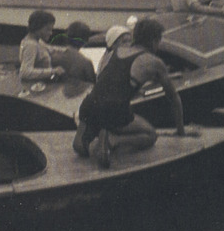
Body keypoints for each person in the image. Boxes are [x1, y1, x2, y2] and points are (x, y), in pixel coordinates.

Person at [73, 18, 190, 169]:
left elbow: (106, 80)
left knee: (83, 142)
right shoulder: (154, 61)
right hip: (113, 111)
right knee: (150, 136)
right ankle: (112, 141)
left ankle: (84, 140)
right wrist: (180, 131)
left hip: (88, 106)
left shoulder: (113, 51)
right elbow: (174, 99)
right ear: (155, 40)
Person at [19, 9, 65, 83]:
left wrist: (67, 50)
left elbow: (50, 48)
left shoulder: (37, 41)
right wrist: (53, 71)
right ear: (37, 27)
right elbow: (25, 72)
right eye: (48, 30)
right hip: (37, 86)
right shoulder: (31, 45)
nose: (50, 33)